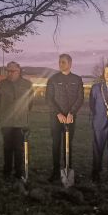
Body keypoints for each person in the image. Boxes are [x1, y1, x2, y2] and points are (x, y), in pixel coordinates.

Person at [45, 54, 84, 182]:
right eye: (59, 62)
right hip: (56, 117)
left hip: (70, 118)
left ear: (70, 63)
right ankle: (55, 171)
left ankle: (68, 168)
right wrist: (58, 114)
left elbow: (80, 98)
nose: (60, 64)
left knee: (68, 144)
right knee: (56, 144)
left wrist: (71, 113)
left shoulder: (77, 79)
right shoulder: (53, 79)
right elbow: (49, 99)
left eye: (63, 62)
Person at [0, 62, 33, 181]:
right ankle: (7, 170)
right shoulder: (2, 84)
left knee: (18, 148)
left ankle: (18, 172)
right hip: (6, 122)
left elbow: (30, 102)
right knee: (7, 147)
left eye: (13, 71)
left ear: (19, 70)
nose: (10, 73)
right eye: (8, 71)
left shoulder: (27, 84)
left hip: (20, 122)